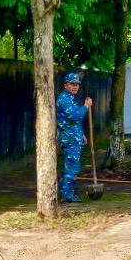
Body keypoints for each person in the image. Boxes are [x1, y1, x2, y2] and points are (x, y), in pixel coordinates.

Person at [56, 72, 92, 203]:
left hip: (74, 136)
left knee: (69, 165)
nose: (75, 87)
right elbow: (75, 116)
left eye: (77, 84)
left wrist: (81, 134)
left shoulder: (70, 98)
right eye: (72, 84)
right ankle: (67, 196)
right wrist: (86, 106)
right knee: (72, 167)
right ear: (66, 85)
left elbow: (74, 121)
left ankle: (64, 191)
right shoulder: (64, 99)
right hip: (69, 138)